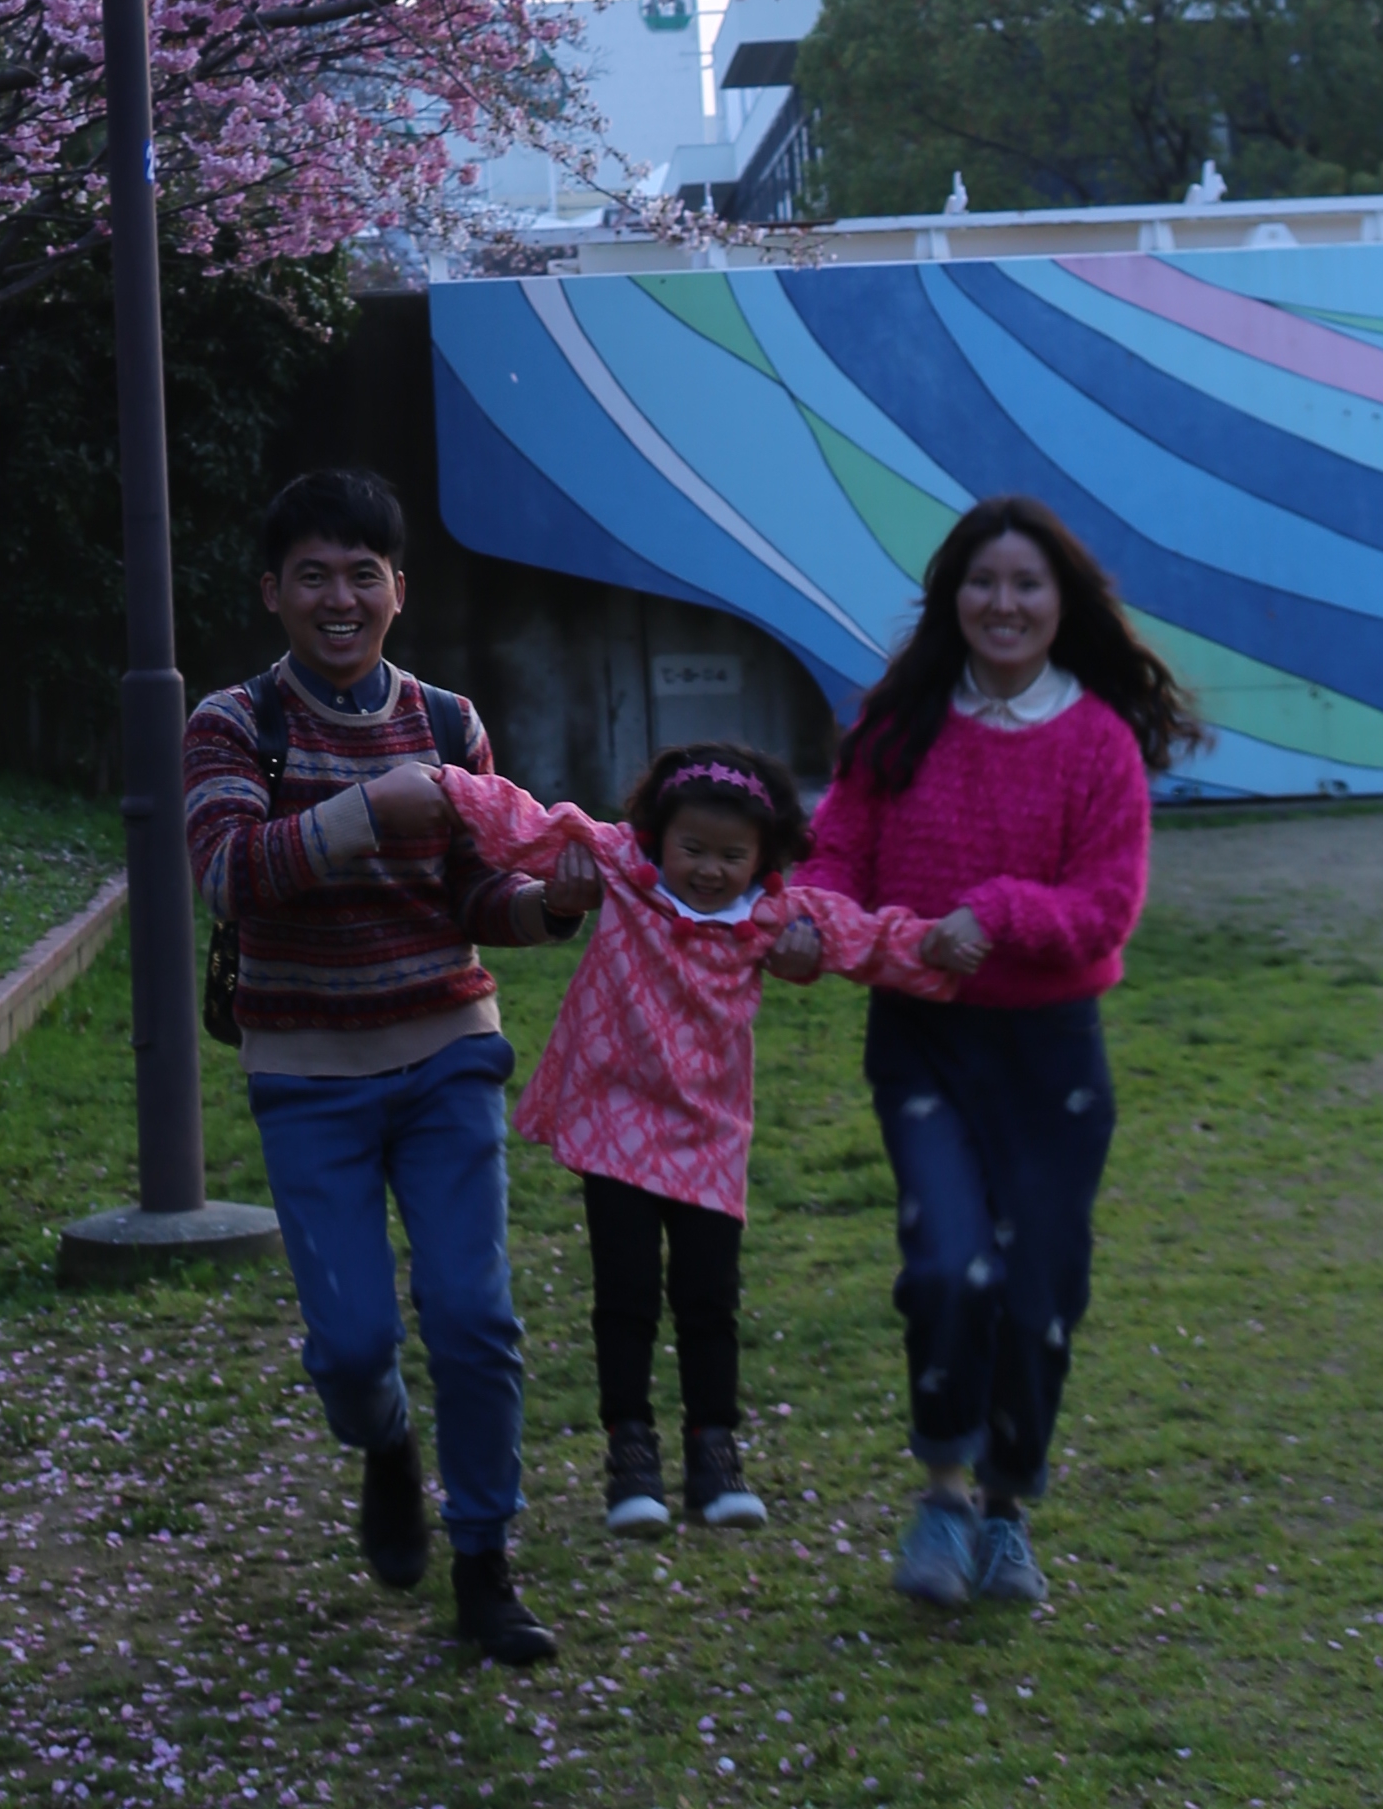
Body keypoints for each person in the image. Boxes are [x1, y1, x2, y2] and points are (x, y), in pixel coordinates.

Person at [181, 465, 586, 1668]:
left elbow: (471, 891)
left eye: (365, 574)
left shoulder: (452, 723)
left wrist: (548, 908)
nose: (341, 597)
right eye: (315, 575)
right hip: (305, 1074)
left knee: (474, 1314)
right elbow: (225, 871)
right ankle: (388, 1446)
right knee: (353, 1347)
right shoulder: (232, 722)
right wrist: (373, 810)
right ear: (273, 592)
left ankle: (486, 1564)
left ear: (400, 589)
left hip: (448, 1053)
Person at [800, 491, 1208, 1612]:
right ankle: (942, 1495)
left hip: (1051, 1058)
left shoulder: (1098, 743)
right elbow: (837, 854)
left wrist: (1000, 914)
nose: (1004, 603)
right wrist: (806, 921)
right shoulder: (899, 718)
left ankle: (1008, 1512)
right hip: (925, 1045)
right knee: (948, 1268)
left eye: (1028, 584)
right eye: (984, 582)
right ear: (953, 597)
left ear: (1062, 601)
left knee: (1036, 1293)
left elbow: (1105, 909)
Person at [435, 740, 955, 1537]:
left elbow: (869, 938)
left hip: (709, 1133)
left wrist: (943, 949)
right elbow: (532, 826)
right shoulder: (619, 871)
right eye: (693, 849)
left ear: (766, 856)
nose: (710, 869)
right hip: (615, 1122)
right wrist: (439, 784)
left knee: (711, 1299)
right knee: (627, 1295)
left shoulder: (777, 918)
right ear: (655, 836)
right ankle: (630, 1455)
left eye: (732, 855)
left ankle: (716, 1454)